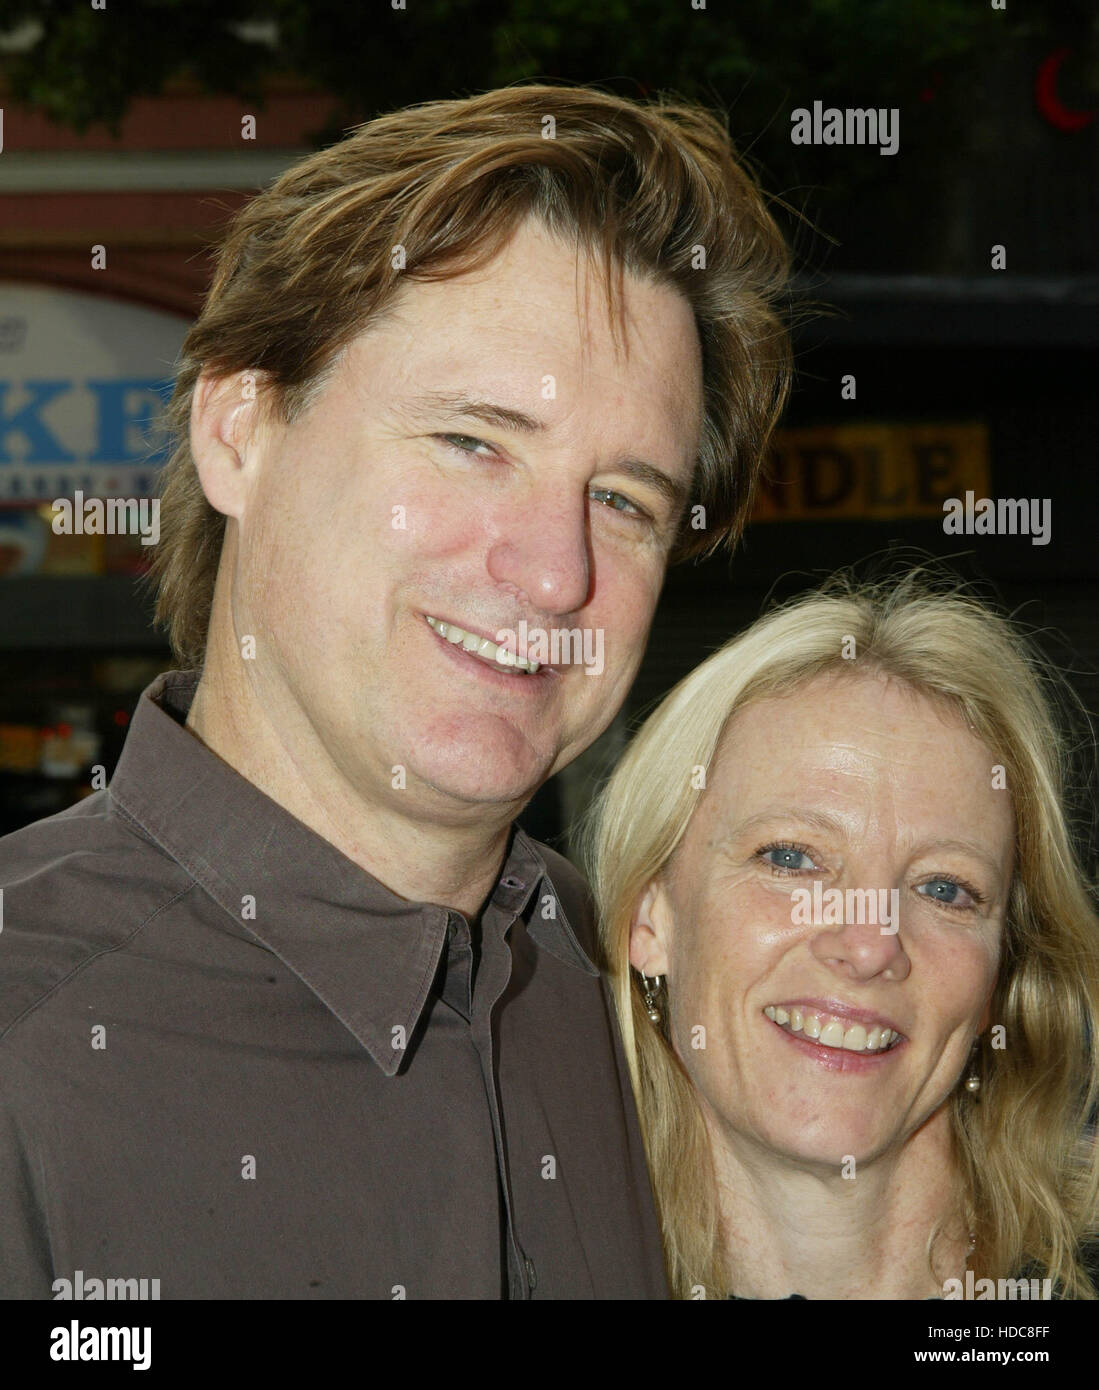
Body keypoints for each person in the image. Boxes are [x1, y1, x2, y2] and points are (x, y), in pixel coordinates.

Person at [0, 82, 792, 1299]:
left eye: (623, 500)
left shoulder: (638, 999)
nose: (554, 568)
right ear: (238, 427)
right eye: (474, 441)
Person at [584, 570, 1099, 1299]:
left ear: (996, 977)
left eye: (943, 889)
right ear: (649, 916)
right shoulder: (513, 1262)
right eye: (791, 859)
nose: (868, 946)